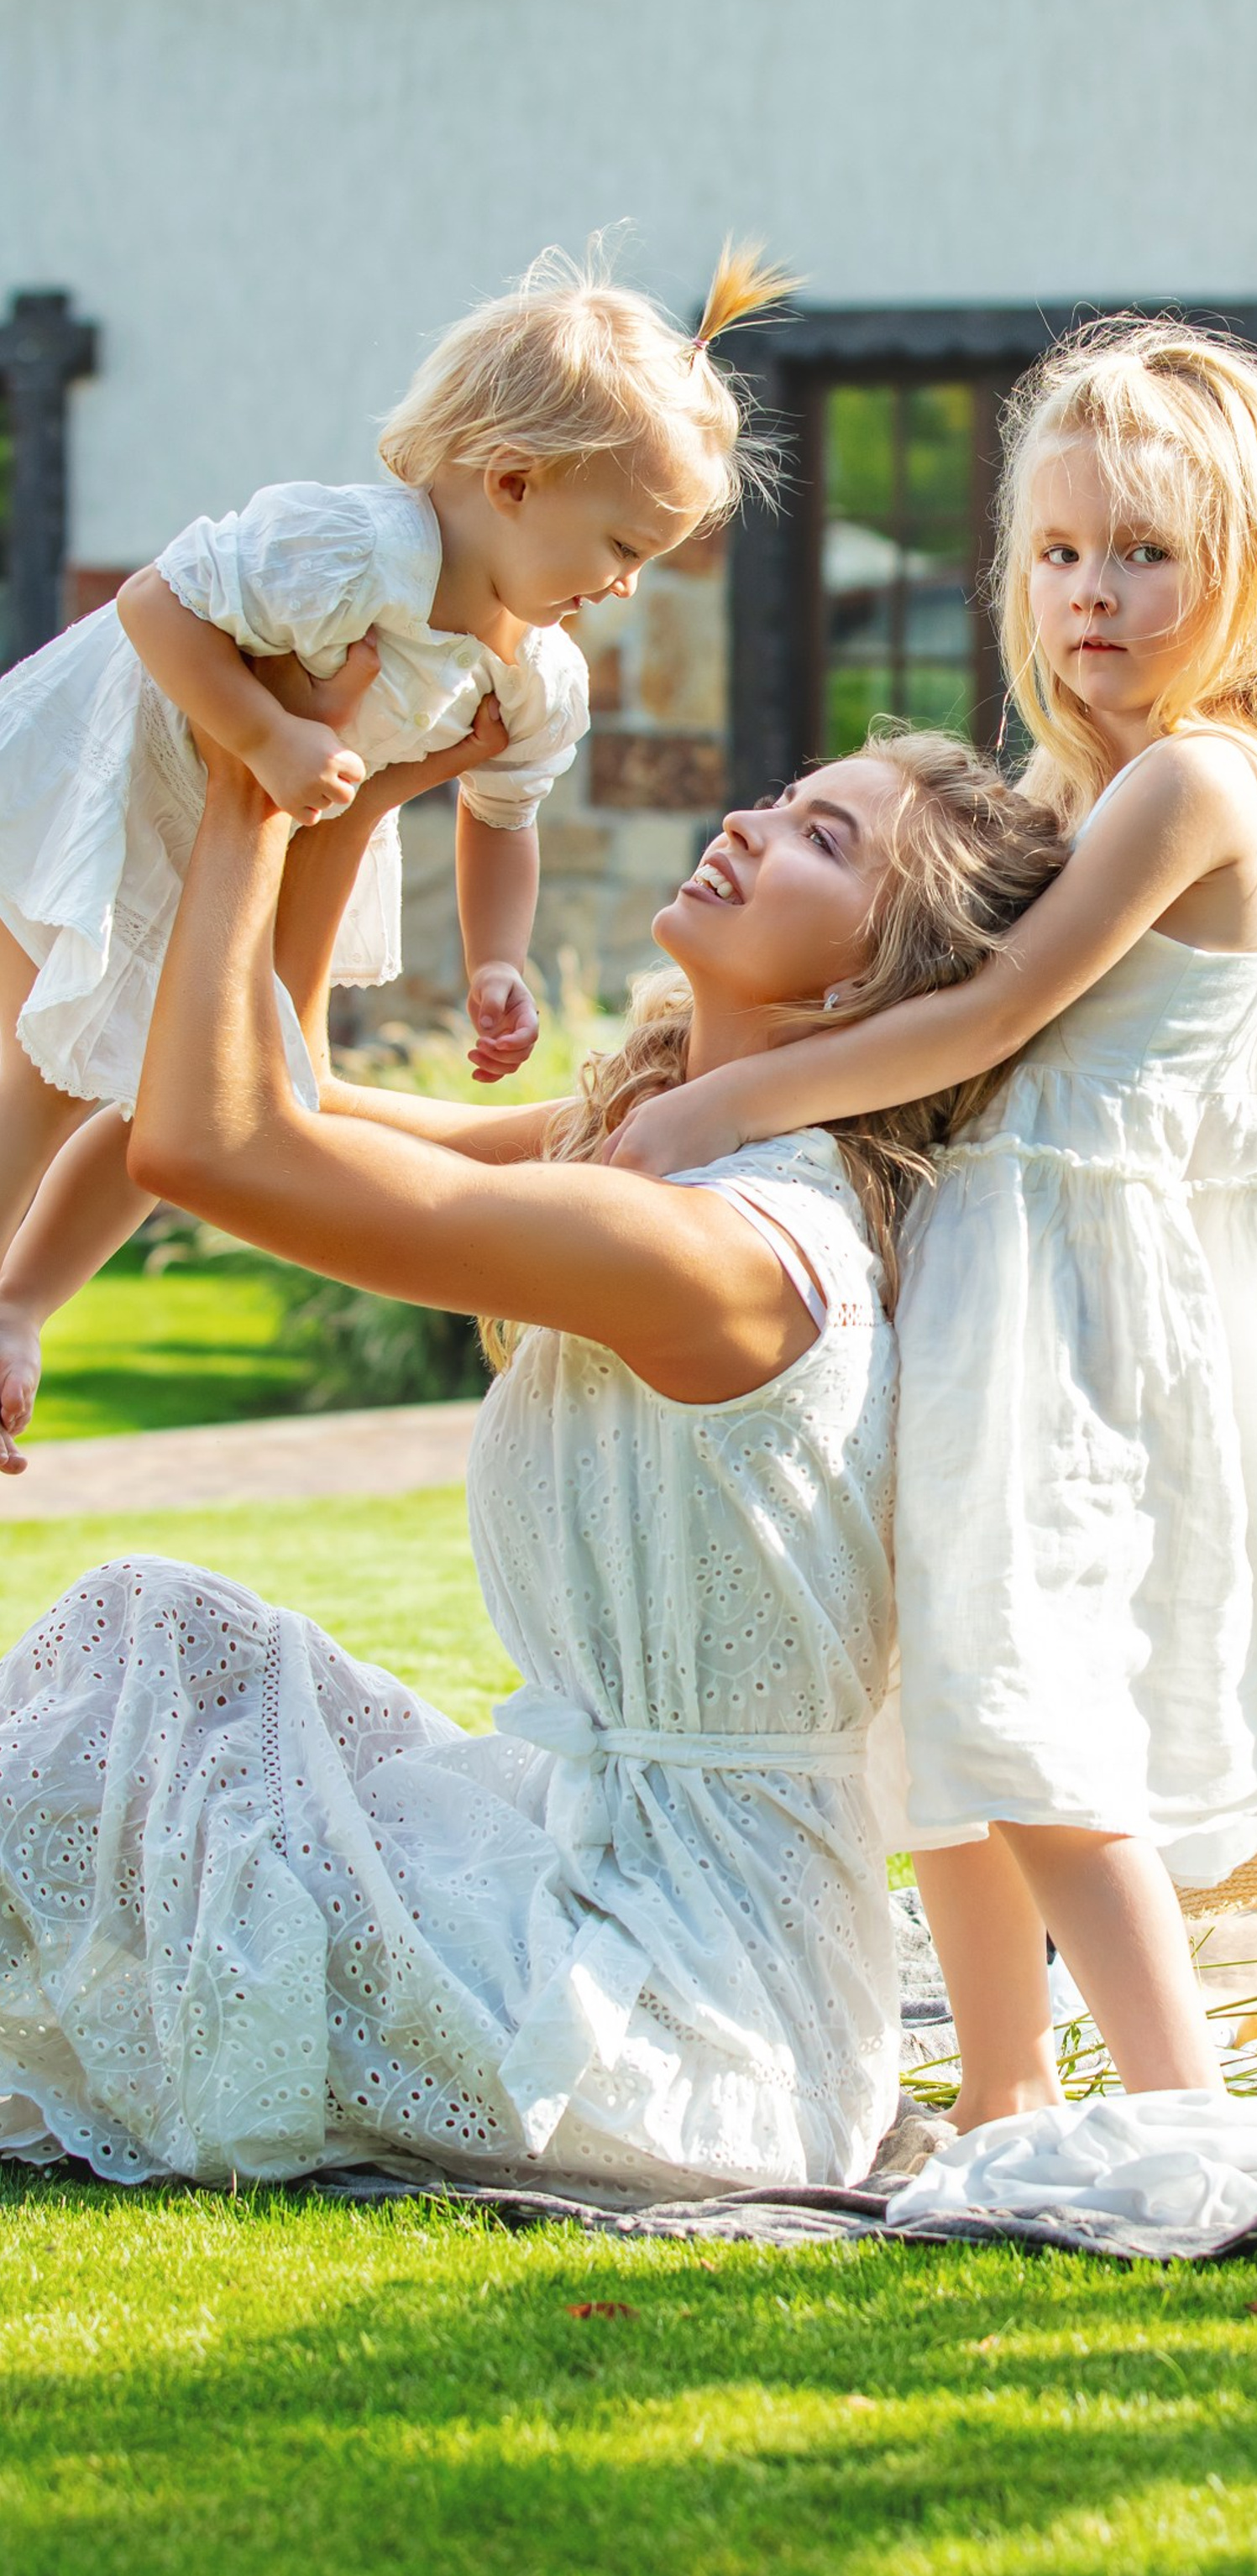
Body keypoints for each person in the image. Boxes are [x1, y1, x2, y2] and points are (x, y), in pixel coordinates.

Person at [604, 319, 1257, 2130]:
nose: (1091, 595)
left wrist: (718, 1104)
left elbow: (985, 1018)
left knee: (1034, 1705)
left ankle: (1169, 2103)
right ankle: (996, 2096)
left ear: (1243, 577)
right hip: (996, 1271)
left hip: (1082, 1295)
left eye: (1143, 554)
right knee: (946, 1703)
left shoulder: (1197, 783)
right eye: (1057, 555)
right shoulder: (1069, 785)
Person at [0, 713, 1064, 2196]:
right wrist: (367, 791)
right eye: (784, 793)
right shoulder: (655, 1146)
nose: (754, 824)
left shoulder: (727, 1248)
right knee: (174, 1652)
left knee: (147, 1664)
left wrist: (252, 794)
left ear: (868, 986)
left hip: (682, 2021)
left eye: (828, 839)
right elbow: (284, 1094)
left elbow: (213, 1145)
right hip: (580, 1868)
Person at [0, 243, 783, 1462]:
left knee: (206, 1077)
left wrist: (499, 962)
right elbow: (156, 607)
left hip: (263, 823)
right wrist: (260, 734)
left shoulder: (539, 674)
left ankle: (23, 1300)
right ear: (513, 481)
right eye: (622, 547)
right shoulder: (353, 551)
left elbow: (502, 819)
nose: (629, 587)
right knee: (52, 1064)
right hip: (127, 779)